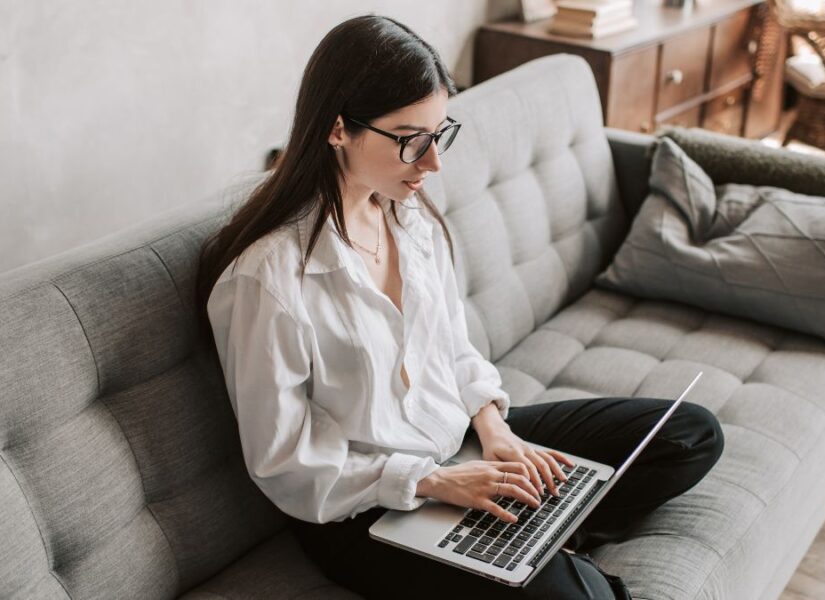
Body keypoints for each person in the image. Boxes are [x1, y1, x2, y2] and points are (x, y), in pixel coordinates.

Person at [195, 14, 724, 600]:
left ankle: (543, 531)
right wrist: (435, 481)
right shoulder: (269, 279)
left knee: (689, 436)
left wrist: (496, 430)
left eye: (439, 133)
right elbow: (286, 463)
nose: (433, 163)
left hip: (459, 447)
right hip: (364, 509)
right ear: (338, 129)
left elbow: (453, 348)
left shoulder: (408, 216)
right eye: (410, 140)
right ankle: (548, 551)